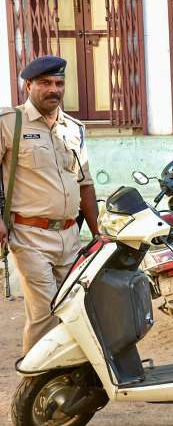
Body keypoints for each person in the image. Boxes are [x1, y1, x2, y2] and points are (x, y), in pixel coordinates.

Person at [0, 55, 98, 354]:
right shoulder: (10, 123)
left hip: (70, 235)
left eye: (59, 83)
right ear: (28, 85)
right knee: (45, 313)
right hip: (30, 236)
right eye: (45, 83)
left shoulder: (74, 128)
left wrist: (98, 233)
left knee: (73, 309)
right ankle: (34, 380)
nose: (54, 89)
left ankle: (67, 376)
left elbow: (85, 184)